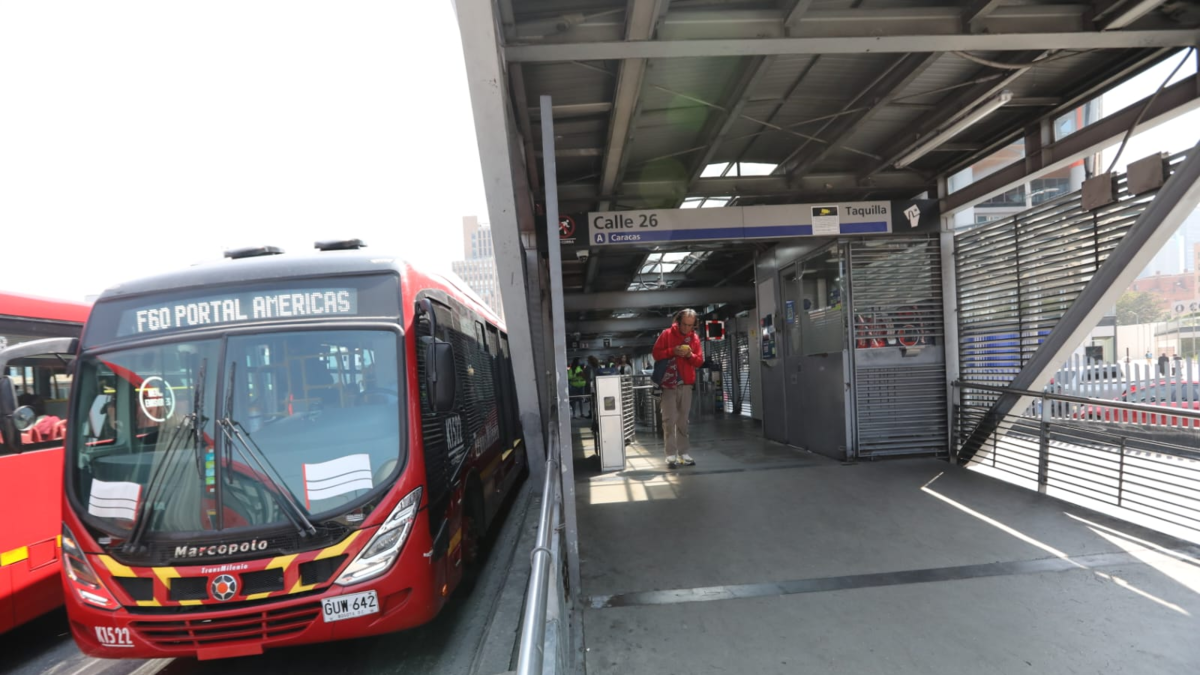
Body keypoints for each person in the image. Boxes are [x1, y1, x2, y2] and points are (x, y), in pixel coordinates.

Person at [652, 308, 705, 468]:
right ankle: (670, 454)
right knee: (669, 420)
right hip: (669, 384)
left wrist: (690, 355)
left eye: (690, 325)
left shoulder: (694, 338)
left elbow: (699, 361)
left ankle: (683, 453)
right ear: (678, 321)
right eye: (685, 324)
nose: (687, 328)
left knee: (683, 421)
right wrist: (672, 351)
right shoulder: (667, 334)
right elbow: (656, 354)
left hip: (686, 384)